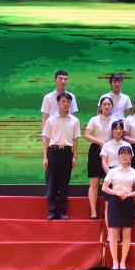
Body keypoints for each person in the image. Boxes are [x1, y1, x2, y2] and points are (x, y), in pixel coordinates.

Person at [102, 146, 135, 270]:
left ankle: (123, 262)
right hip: (114, 202)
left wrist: (129, 194)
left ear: (131, 156)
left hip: (128, 202)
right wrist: (116, 193)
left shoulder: (134, 172)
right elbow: (104, 187)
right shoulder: (113, 171)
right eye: (122, 154)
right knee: (113, 233)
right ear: (119, 156)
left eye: (127, 153)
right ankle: (115, 262)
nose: (125, 156)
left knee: (127, 232)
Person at [42, 92, 80, 220]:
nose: (66, 104)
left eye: (68, 102)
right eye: (63, 101)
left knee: (64, 183)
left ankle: (63, 211)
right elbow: (46, 139)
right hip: (53, 152)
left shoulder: (75, 121)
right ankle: (52, 211)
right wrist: (45, 157)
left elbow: (75, 140)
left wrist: (74, 156)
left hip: (67, 153)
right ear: (58, 103)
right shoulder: (50, 120)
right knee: (52, 182)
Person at [84, 96, 114, 219]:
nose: (107, 106)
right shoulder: (94, 119)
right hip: (96, 150)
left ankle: (110, 212)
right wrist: (100, 142)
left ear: (112, 106)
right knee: (94, 182)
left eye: (109, 104)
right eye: (104, 104)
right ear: (100, 107)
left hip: (112, 152)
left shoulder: (116, 120)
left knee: (110, 182)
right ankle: (93, 211)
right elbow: (86, 135)